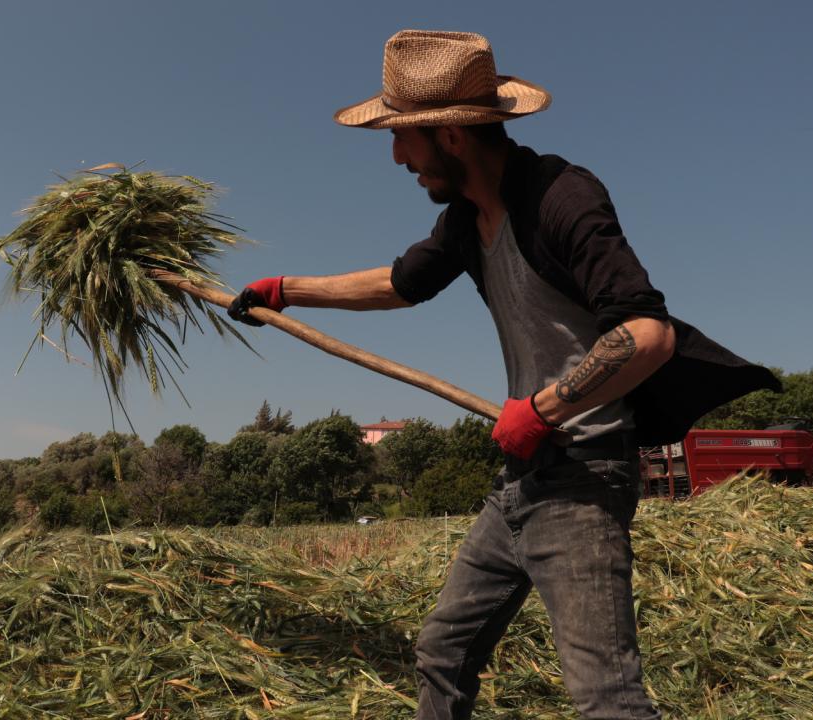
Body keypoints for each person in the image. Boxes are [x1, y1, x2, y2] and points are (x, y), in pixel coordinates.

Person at [228, 30, 778, 720]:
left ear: (452, 135)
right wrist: (287, 289)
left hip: (582, 479)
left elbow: (647, 334)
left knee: (606, 698)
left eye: (404, 138)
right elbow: (401, 283)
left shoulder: (559, 196)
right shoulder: (466, 220)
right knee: (443, 652)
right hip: (519, 482)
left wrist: (544, 408)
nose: (397, 156)